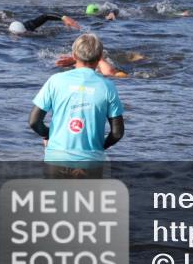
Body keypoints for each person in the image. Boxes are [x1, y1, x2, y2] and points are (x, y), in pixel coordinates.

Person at [29, 33, 125, 177]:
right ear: (100, 57)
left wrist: (48, 135)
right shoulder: (108, 87)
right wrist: (100, 147)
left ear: (74, 55)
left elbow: (34, 121)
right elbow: (117, 133)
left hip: (56, 160)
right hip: (91, 163)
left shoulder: (55, 81)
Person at [8, 12, 81, 34]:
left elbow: (45, 16)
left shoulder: (29, 26)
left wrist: (64, 18)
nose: (26, 33)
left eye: (25, 32)